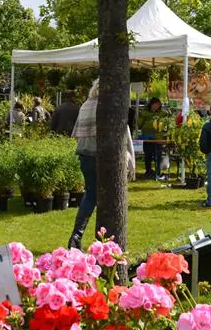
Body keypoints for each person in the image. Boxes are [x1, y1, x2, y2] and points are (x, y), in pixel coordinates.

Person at [68, 80, 135, 249]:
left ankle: (76, 236)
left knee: (91, 195)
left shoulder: (85, 105)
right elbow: (125, 134)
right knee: (110, 197)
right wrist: (132, 161)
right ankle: (106, 241)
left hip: (84, 154)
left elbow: (77, 134)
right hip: (104, 155)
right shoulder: (109, 105)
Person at [138, 97, 166, 180]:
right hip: (147, 138)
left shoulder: (162, 113)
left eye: (158, 105)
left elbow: (166, 123)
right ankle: (148, 171)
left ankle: (158, 172)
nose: (156, 106)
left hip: (158, 138)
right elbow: (139, 124)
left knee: (158, 156)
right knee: (148, 156)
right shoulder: (144, 112)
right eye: (155, 104)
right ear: (151, 104)